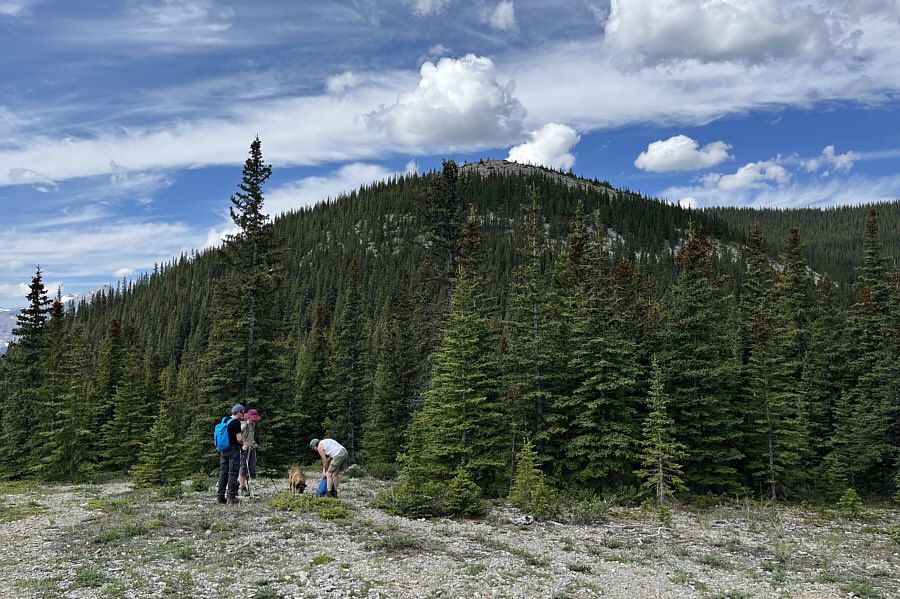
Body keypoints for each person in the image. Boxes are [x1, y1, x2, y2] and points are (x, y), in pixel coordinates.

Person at [217, 405, 244, 505]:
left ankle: (220, 496)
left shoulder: (225, 419)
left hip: (224, 448)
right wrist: (243, 444)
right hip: (233, 448)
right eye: (242, 413)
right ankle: (231, 496)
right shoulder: (236, 422)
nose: (243, 415)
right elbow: (239, 438)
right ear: (239, 413)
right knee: (233, 472)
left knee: (223, 471)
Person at [238, 408, 261, 495]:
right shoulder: (243, 426)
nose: (254, 420)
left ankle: (240, 483)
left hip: (251, 448)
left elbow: (251, 437)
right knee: (243, 468)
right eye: (253, 419)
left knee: (251, 468)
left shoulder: (253, 425)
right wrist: (242, 445)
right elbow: (237, 436)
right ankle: (242, 487)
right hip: (244, 450)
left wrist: (254, 443)